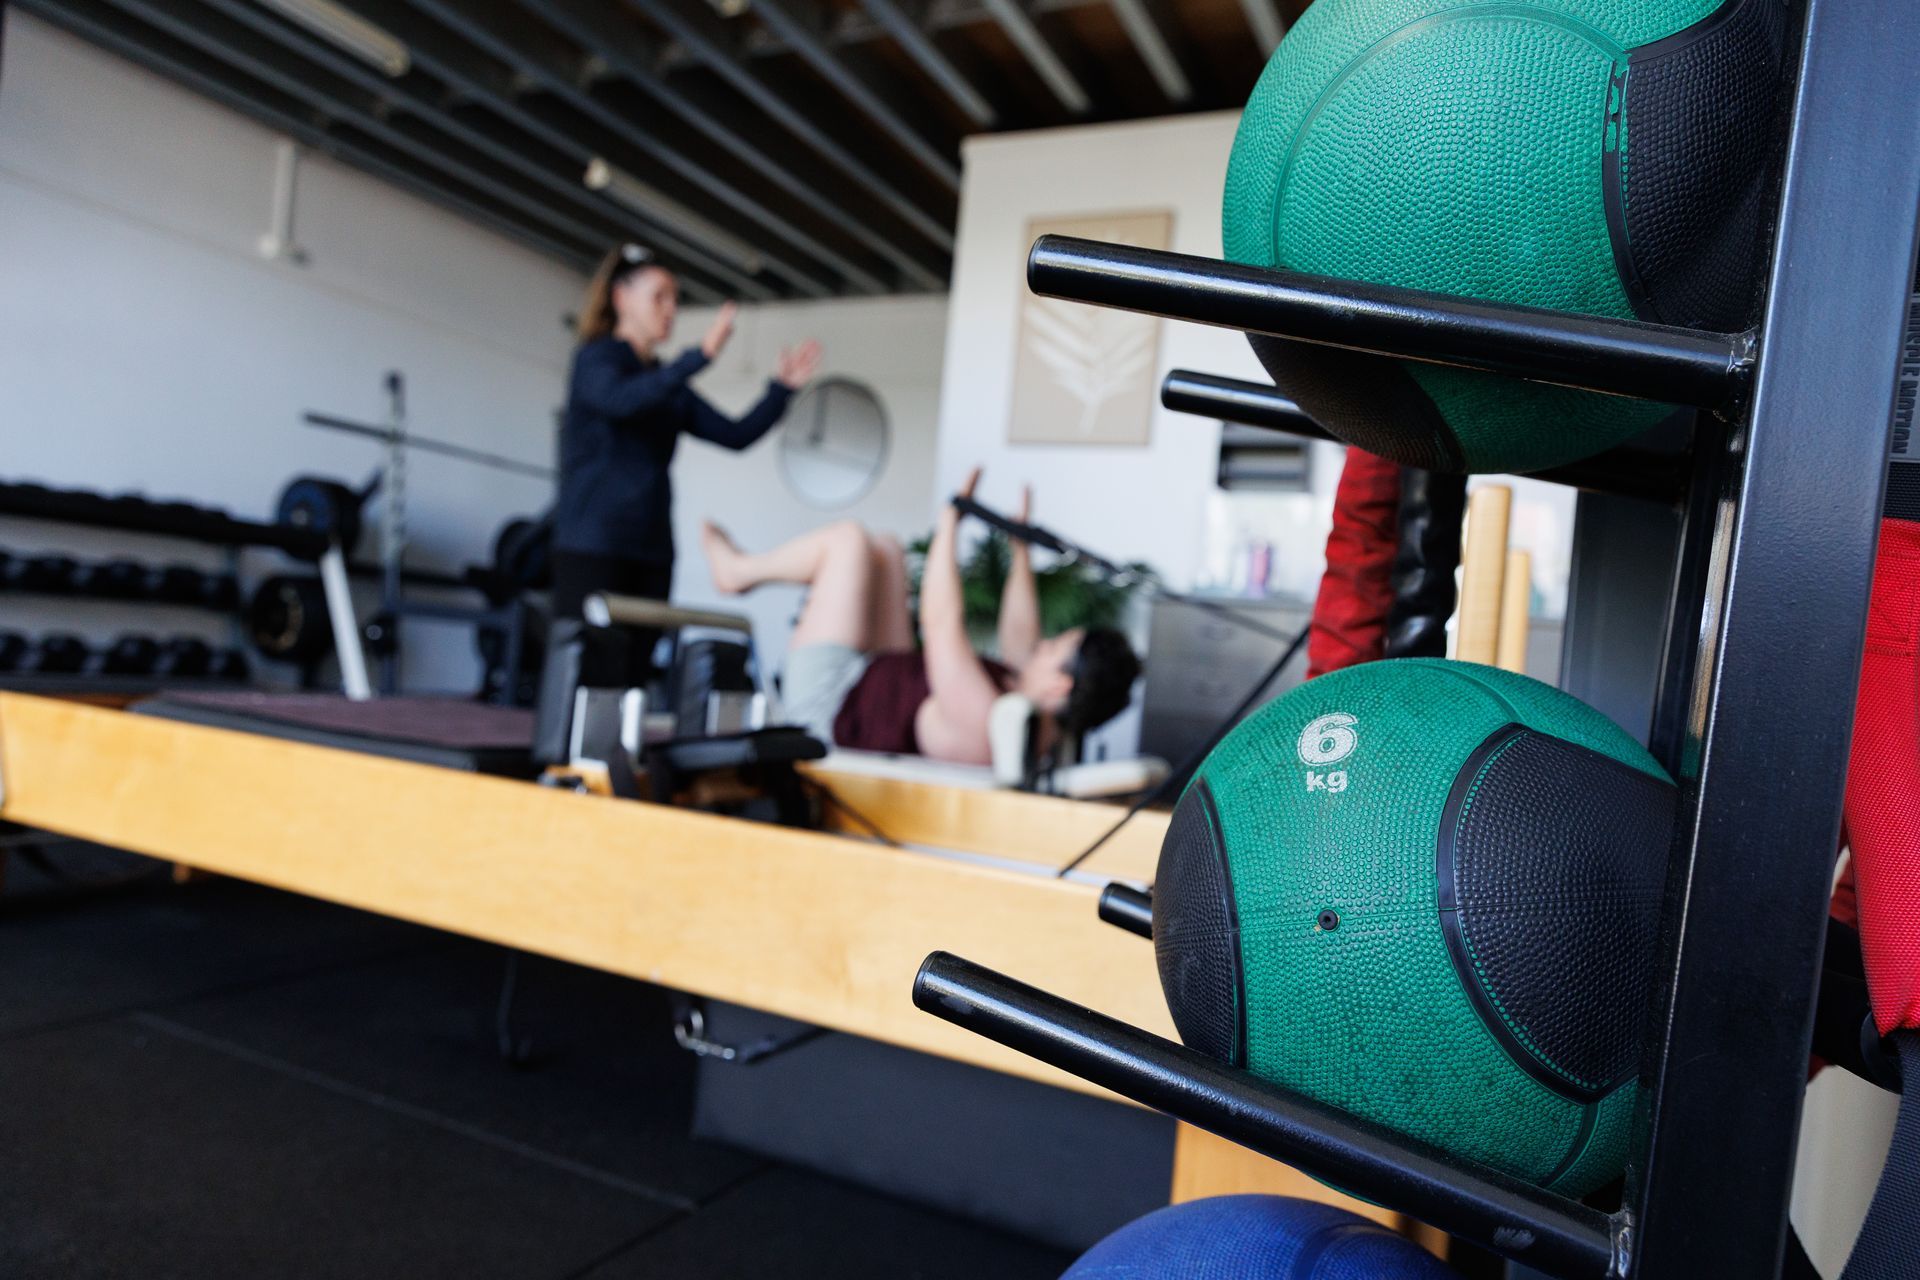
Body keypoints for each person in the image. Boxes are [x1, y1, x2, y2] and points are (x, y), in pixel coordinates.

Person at [700, 470, 1142, 766]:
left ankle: (737, 572)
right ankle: (740, 570)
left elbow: (940, 623)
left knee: (848, 542)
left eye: (1053, 649)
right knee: (888, 551)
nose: (1041, 646)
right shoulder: (1030, 718)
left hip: (830, 701)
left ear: (1060, 686)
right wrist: (1019, 549)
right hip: (880, 681)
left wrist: (950, 519)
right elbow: (1019, 635)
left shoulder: (990, 722)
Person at [552, 243, 823, 619]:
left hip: (653, 551)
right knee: (590, 668)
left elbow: (736, 434)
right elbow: (621, 400)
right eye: (659, 297)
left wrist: (781, 389)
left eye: (675, 299)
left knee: (639, 671)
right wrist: (699, 357)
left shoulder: (667, 384)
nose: (670, 309)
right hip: (594, 547)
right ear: (621, 297)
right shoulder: (596, 360)